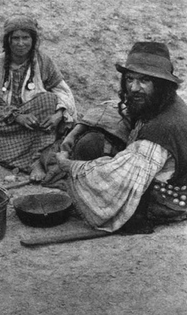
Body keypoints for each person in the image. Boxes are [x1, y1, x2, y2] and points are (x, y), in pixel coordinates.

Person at [56, 42, 187, 233]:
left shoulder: (161, 129)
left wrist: (69, 166)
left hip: (167, 200)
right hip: (159, 175)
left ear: (161, 85)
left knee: (89, 147)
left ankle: (137, 219)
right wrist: (76, 130)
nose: (134, 87)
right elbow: (114, 108)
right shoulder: (163, 101)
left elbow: (115, 177)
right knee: (91, 138)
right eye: (130, 79)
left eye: (144, 80)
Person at [0, 14, 77, 182]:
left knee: (48, 100)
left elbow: (62, 91)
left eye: (25, 38)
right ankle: (31, 162)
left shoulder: (43, 60)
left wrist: (58, 115)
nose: (21, 44)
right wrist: (17, 117)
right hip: (6, 123)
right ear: (8, 41)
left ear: (33, 39)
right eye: (16, 38)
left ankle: (35, 157)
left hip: (34, 119)